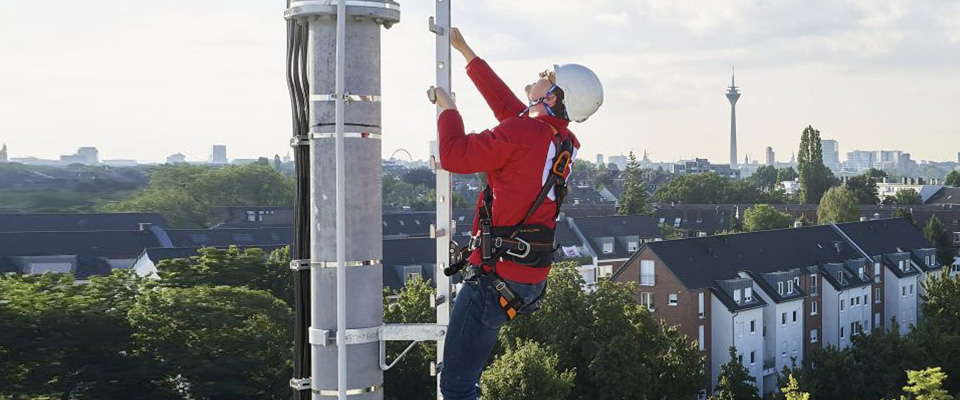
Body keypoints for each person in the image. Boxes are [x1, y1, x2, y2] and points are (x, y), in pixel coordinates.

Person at [429, 27, 603, 400]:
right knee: (461, 373)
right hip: (523, 277)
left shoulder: (526, 134)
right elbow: (508, 108)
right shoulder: (558, 140)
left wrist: (449, 110)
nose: (542, 74)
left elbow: (454, 155)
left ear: (555, 96)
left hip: (495, 279)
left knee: (457, 386)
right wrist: (466, 53)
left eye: (549, 77)